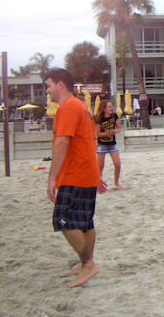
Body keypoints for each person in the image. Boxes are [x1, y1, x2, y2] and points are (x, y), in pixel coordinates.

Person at [44, 69, 107, 287]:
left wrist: (52, 179)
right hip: (86, 173)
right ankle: (85, 264)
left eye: (48, 85)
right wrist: (96, 175)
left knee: (63, 220)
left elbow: (63, 142)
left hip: (75, 174)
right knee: (84, 223)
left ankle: (88, 265)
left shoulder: (69, 107)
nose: (47, 90)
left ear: (60, 84)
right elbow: (88, 141)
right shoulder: (82, 106)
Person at [95, 100, 123, 189]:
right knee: (100, 166)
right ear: (104, 109)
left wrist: (114, 131)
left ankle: (116, 182)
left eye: (111, 106)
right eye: (109, 107)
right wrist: (106, 134)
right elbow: (97, 133)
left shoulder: (114, 116)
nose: (111, 108)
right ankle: (98, 184)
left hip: (112, 144)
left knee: (117, 164)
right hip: (101, 144)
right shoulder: (99, 118)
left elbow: (119, 128)